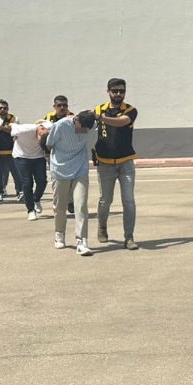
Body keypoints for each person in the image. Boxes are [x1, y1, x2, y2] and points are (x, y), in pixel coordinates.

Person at [94, 78, 139, 250]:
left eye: (122, 91)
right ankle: (102, 227)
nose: (118, 94)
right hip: (105, 163)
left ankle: (129, 237)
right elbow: (84, 126)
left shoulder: (130, 110)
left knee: (128, 200)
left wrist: (100, 118)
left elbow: (122, 122)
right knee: (105, 200)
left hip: (125, 162)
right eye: (115, 91)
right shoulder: (99, 109)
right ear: (108, 92)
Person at [47, 111, 97, 256]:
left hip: (80, 169)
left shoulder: (90, 125)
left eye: (86, 129)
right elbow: (49, 145)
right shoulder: (60, 125)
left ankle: (82, 242)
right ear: (76, 120)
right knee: (60, 205)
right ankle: (59, 233)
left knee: (81, 205)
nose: (83, 131)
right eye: (81, 127)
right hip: (60, 170)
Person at [11, 120, 52, 220]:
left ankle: (36, 198)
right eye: (40, 137)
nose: (40, 140)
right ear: (40, 129)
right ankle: (31, 210)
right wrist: (11, 127)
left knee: (42, 181)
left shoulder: (51, 128)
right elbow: (12, 126)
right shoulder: (24, 130)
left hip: (38, 157)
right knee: (27, 183)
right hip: (22, 156)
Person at [43, 96, 75, 216]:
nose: (62, 108)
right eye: (59, 105)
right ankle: (59, 207)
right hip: (55, 155)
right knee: (56, 181)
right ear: (54, 106)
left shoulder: (72, 117)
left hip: (71, 155)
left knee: (71, 180)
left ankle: (70, 201)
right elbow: (42, 132)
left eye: (64, 105)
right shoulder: (48, 118)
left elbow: (80, 132)